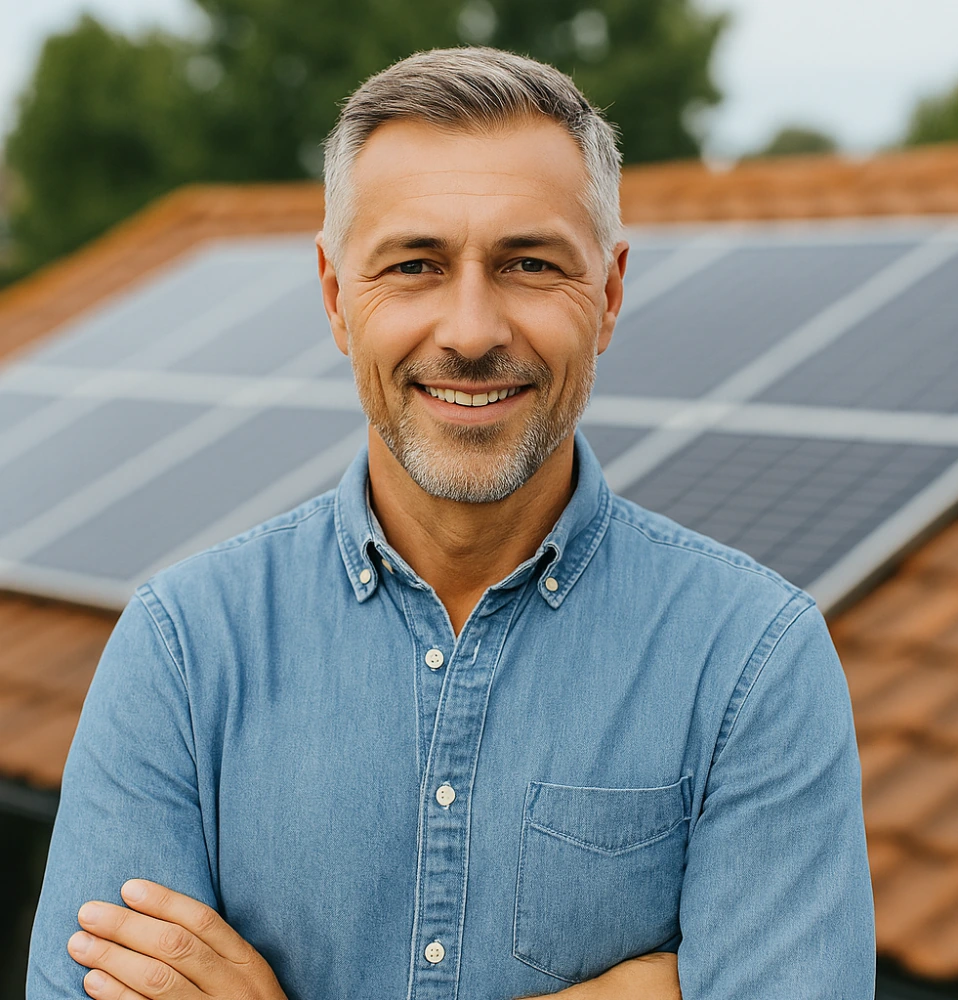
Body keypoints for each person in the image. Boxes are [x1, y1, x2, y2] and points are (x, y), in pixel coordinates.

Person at [28, 47, 875, 1000]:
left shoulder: (753, 663)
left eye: (529, 263)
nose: (471, 332)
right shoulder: (184, 651)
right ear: (335, 295)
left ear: (610, 293)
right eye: (416, 264)